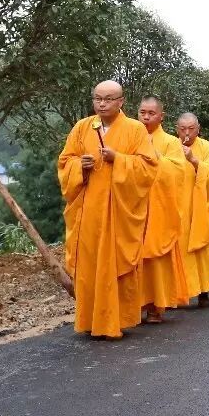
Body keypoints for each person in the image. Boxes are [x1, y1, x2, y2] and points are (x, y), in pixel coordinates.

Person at [57, 81, 157, 339]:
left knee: (114, 265)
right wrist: (80, 166)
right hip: (88, 212)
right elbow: (65, 161)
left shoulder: (135, 129)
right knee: (89, 267)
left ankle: (114, 322)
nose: (102, 104)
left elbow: (149, 168)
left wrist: (118, 159)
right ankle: (90, 321)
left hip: (118, 213)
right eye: (97, 98)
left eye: (108, 99)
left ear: (121, 101)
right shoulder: (82, 127)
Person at [136, 97, 191, 322]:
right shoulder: (131, 137)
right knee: (132, 256)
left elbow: (179, 173)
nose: (146, 117)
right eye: (142, 112)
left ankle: (155, 305)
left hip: (159, 208)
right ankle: (133, 305)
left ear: (161, 116)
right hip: (133, 207)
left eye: (151, 113)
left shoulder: (170, 142)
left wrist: (157, 158)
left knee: (155, 260)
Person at [177, 113, 209, 303]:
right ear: (176, 129)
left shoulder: (207, 148)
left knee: (203, 251)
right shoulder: (172, 147)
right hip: (178, 209)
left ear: (198, 129)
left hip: (201, 209)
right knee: (180, 252)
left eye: (191, 129)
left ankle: (204, 292)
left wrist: (195, 161)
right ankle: (179, 293)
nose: (187, 133)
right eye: (183, 129)